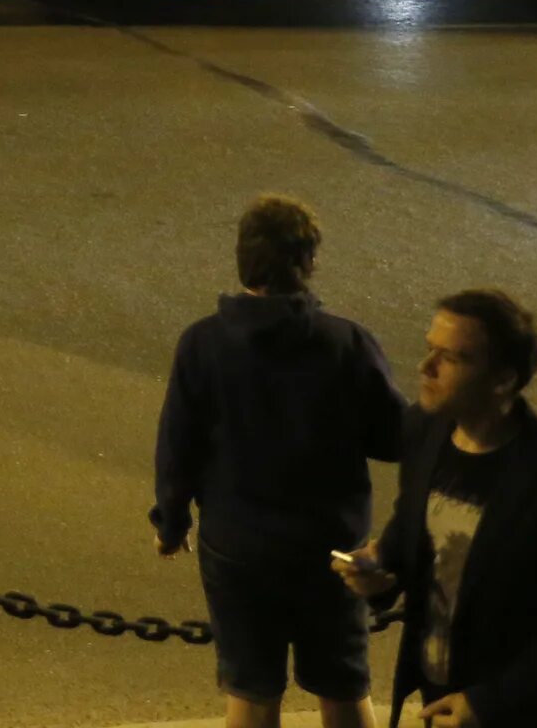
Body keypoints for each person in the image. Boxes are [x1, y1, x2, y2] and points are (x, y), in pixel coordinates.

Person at [154, 195, 408, 728]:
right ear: (308, 263)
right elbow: (394, 438)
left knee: (251, 688)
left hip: (238, 545)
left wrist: (172, 524)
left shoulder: (202, 344)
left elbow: (179, 448)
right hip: (331, 545)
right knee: (342, 682)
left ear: (244, 260)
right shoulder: (347, 343)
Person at [335, 290, 537, 728]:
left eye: (450, 357)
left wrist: (489, 703)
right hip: (441, 699)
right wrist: (378, 569)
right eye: (429, 348)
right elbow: (415, 525)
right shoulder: (424, 431)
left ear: (503, 380)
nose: (425, 367)